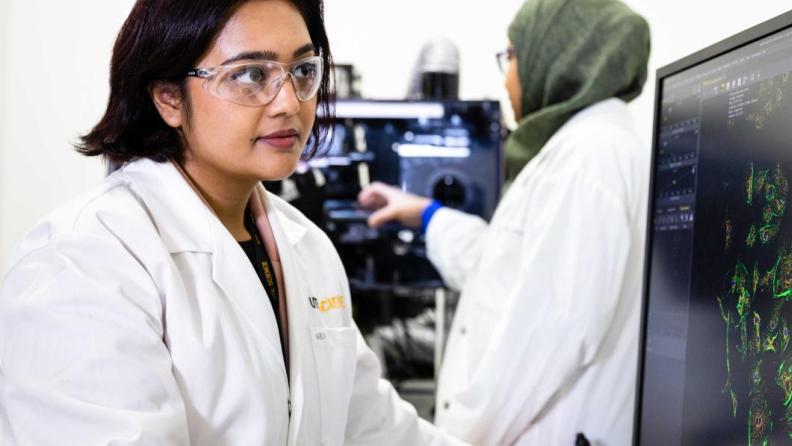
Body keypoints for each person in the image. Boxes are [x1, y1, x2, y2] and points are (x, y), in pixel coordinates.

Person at [0, 1, 464, 444]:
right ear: (168, 99)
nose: (288, 101)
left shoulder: (306, 247)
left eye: (303, 70)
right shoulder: (84, 260)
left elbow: (370, 425)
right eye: (249, 74)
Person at [357, 0, 651, 444]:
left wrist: (457, 437)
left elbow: (544, 338)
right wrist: (425, 213)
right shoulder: (576, 147)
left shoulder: (591, 157)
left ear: (559, 56)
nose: (505, 75)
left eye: (511, 55)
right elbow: (502, 265)